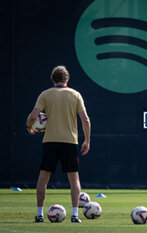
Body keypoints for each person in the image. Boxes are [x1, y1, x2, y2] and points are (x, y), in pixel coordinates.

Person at [26, 66, 91, 223]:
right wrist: (87, 140)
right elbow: (86, 119)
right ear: (67, 79)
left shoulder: (45, 94)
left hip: (50, 141)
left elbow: (33, 115)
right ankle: (75, 215)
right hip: (70, 141)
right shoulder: (75, 95)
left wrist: (30, 127)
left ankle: (40, 215)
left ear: (53, 80)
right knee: (74, 179)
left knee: (43, 178)